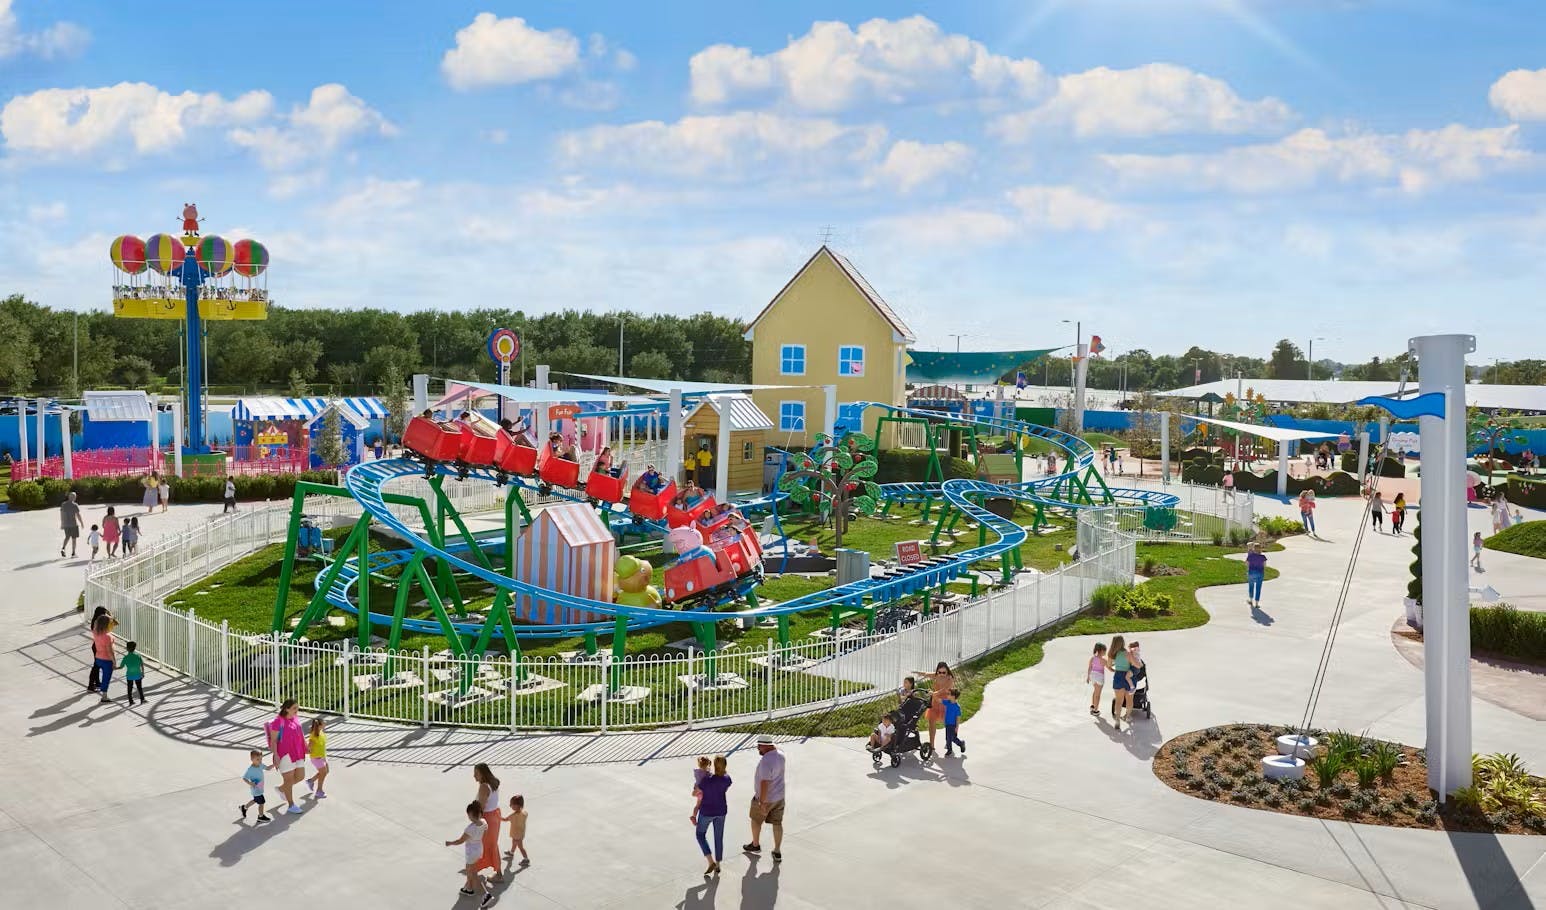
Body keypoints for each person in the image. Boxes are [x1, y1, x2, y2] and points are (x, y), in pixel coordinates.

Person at [445, 801, 495, 907]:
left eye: (469, 815)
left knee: (473, 874)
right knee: (469, 870)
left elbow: (460, 840)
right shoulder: (484, 822)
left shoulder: (470, 829)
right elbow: (484, 835)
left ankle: (486, 895)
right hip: (478, 849)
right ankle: (469, 889)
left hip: (471, 853)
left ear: (471, 815)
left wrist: (450, 843)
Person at [744, 735, 785, 863]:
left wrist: (761, 802)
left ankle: (755, 845)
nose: (758, 749)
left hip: (765, 799)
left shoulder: (766, 761)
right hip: (779, 797)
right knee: (777, 823)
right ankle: (777, 851)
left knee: (756, 820)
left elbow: (764, 783)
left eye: (759, 746)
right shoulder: (781, 754)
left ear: (765, 746)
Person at [265, 699, 308, 815]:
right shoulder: (278, 722)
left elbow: (301, 733)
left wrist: (305, 745)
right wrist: (276, 756)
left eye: (297, 708)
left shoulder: (295, 718)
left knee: (300, 776)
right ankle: (291, 805)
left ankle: (281, 789)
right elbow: (274, 741)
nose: (297, 710)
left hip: (298, 752)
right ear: (286, 709)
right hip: (285, 755)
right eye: (294, 708)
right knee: (288, 780)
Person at [692, 755, 732, 877]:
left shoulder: (706, 780)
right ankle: (718, 864)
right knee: (718, 837)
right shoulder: (727, 779)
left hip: (707, 811)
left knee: (700, 835)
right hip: (721, 811)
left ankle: (710, 861)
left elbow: (695, 793)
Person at [912, 661, 956, 753]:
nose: (941, 674)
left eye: (944, 672)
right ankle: (931, 745)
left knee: (948, 724)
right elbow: (926, 674)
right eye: (939, 672)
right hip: (935, 702)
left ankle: (950, 741)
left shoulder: (950, 679)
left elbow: (944, 690)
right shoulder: (936, 675)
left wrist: (934, 693)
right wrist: (917, 672)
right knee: (931, 723)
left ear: (947, 671)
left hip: (945, 703)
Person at [472, 763, 504, 883]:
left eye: (476, 773)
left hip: (487, 819)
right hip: (494, 816)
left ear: (483, 774)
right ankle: (492, 871)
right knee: (492, 845)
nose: (474, 776)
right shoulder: (493, 783)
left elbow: (481, 807)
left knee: (484, 845)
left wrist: (475, 822)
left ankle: (498, 874)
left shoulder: (484, 787)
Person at [239, 750, 272, 825]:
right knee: (262, 802)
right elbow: (244, 778)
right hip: (255, 789)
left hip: (259, 788)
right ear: (252, 759)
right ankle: (260, 817)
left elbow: (267, 768)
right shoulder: (250, 770)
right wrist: (250, 783)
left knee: (256, 800)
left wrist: (274, 764)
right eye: (258, 759)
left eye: (261, 759)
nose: (260, 761)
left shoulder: (260, 765)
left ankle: (244, 807)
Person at [1106, 635, 1132, 729]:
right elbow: (1132, 664)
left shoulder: (1112, 654)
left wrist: (1114, 669)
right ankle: (1128, 716)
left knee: (1118, 701)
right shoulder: (1127, 653)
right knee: (1129, 699)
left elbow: (1109, 666)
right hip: (1127, 677)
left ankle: (1117, 720)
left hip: (1118, 676)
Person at [91, 613, 116, 704]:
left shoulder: (95, 632)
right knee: (106, 678)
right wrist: (114, 661)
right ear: (106, 624)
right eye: (110, 622)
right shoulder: (108, 636)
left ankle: (101, 690)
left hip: (98, 658)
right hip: (107, 660)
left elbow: (95, 624)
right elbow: (110, 651)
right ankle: (104, 696)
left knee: (103, 676)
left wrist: (100, 619)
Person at [305, 717, 329, 798]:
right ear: (319, 726)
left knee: (326, 771)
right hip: (316, 758)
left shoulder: (321, 732)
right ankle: (319, 791)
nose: (325, 722)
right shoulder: (313, 737)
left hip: (322, 756)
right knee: (323, 773)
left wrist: (324, 756)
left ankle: (310, 781)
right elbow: (308, 748)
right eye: (324, 722)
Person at [503, 794, 529, 866]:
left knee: (521, 847)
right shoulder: (524, 813)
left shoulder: (513, 816)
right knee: (514, 843)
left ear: (518, 805)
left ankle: (526, 859)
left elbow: (505, 819)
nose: (510, 806)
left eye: (512, 805)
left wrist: (498, 817)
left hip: (517, 834)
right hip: (520, 833)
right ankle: (511, 853)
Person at [119, 641, 145, 705]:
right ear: (134, 648)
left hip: (129, 675)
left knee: (129, 689)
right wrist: (142, 673)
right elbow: (142, 665)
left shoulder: (125, 658)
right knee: (139, 688)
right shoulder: (138, 656)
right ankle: (142, 699)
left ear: (127, 648)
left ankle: (131, 701)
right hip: (138, 675)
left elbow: (121, 667)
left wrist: (114, 668)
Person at [942, 689, 966, 757]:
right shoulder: (947, 702)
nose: (947, 695)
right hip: (947, 724)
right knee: (947, 738)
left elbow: (958, 718)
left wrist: (957, 727)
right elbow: (939, 700)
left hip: (953, 725)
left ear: (953, 696)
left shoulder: (957, 707)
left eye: (949, 694)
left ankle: (961, 743)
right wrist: (933, 694)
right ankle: (949, 750)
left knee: (953, 738)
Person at [1085, 642, 1107, 718]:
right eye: (1105, 651)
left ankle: (1093, 705)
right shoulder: (1103, 660)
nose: (1105, 652)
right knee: (1098, 695)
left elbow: (1090, 667)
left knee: (1095, 691)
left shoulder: (1092, 658)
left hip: (1092, 676)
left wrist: (1088, 677)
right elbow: (1109, 666)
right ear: (1101, 651)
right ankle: (1095, 710)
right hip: (1099, 677)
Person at [60, 491, 82, 558]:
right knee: (74, 539)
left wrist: (62, 524)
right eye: (75, 496)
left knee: (67, 537)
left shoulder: (63, 504)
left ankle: (63, 548)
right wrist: (81, 523)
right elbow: (78, 515)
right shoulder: (75, 505)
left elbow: (62, 515)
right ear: (74, 497)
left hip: (66, 524)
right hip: (73, 524)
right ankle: (73, 553)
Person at [1246, 542, 1267, 608]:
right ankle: (1257, 604)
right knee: (1258, 588)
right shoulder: (1263, 557)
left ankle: (1251, 600)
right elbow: (1265, 565)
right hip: (1260, 573)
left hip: (1251, 572)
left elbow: (1247, 564)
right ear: (1260, 549)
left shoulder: (1250, 556)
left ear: (1254, 549)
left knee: (1251, 586)